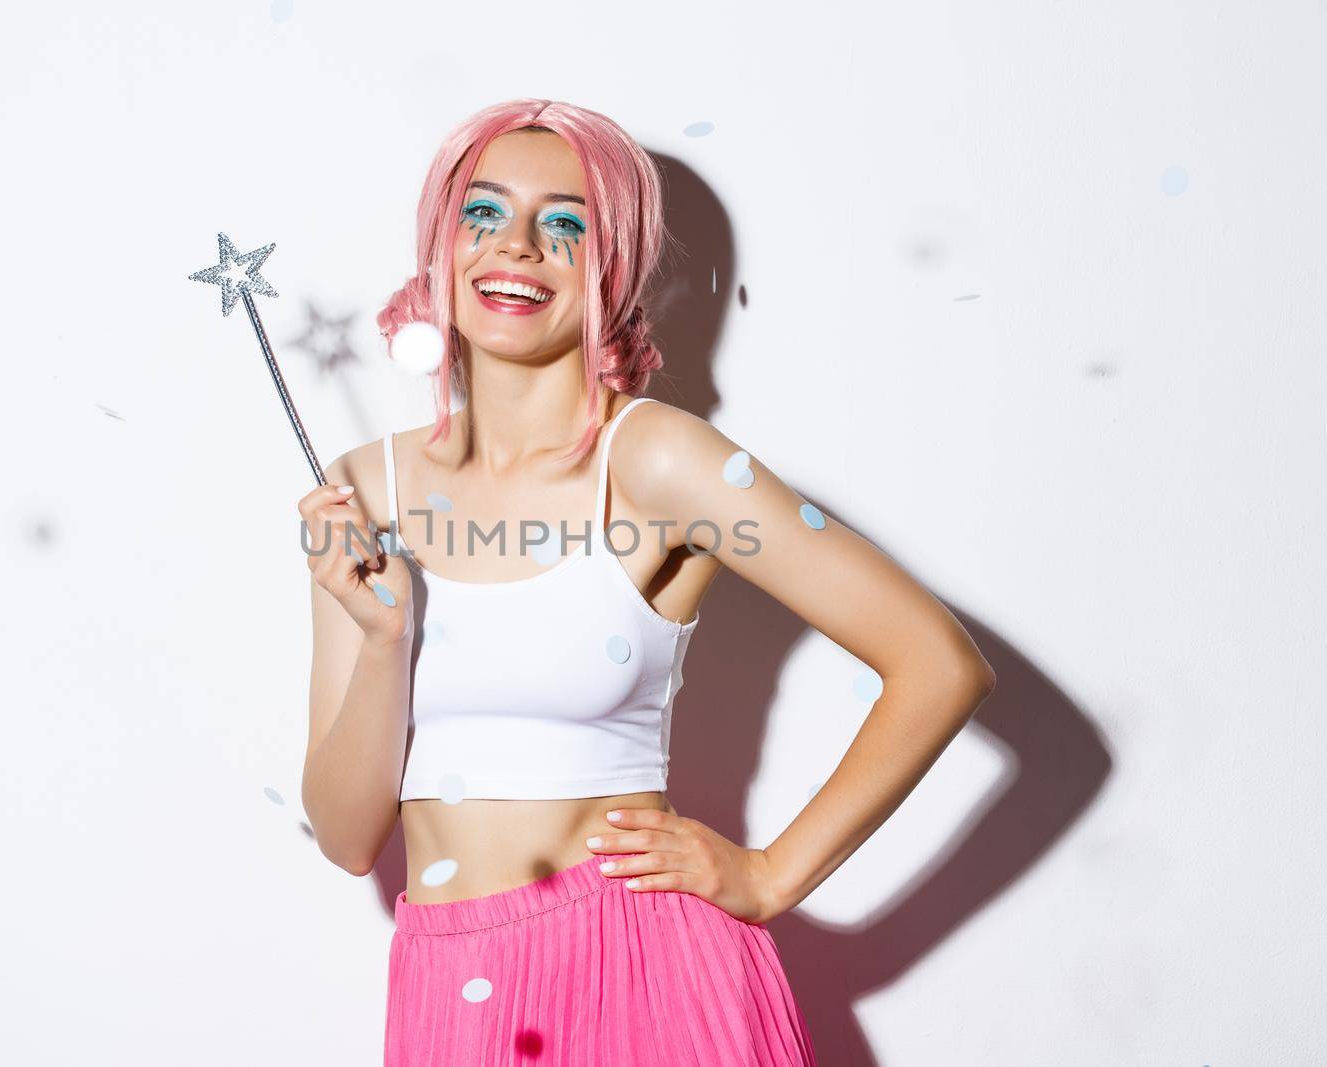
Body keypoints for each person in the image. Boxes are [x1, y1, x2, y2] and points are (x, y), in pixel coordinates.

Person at [296, 99, 996, 1066]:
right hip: (447, 987)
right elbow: (342, 834)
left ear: (610, 268)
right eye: (483, 213)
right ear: (440, 247)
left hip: (641, 969)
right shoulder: (362, 483)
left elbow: (938, 662)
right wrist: (382, 642)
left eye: (567, 223)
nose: (520, 247)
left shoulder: (661, 459)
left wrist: (769, 875)